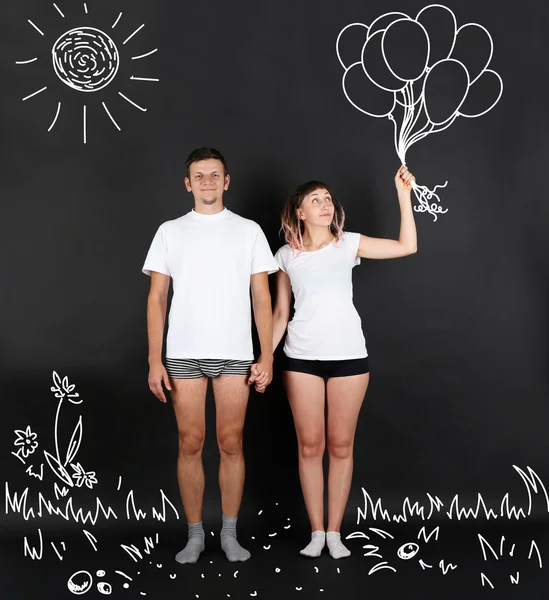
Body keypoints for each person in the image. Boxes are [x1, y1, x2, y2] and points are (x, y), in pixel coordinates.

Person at [250, 165, 417, 559]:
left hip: (349, 358)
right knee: (310, 446)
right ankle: (316, 533)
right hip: (301, 359)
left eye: (327, 198)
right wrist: (265, 358)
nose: (324, 204)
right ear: (300, 213)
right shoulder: (286, 256)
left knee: (341, 446)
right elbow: (279, 314)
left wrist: (403, 195)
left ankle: (336, 533)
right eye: (315, 200)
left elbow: (406, 246)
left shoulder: (348, 244)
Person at [142, 147, 278, 564]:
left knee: (231, 442)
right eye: (198, 176)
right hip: (182, 353)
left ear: (226, 181)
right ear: (188, 183)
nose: (206, 182)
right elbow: (157, 298)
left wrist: (266, 356)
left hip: (235, 353)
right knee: (190, 442)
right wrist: (154, 359)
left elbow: (261, 296)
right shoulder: (170, 231)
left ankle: (231, 535)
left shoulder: (249, 230)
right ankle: (196, 536)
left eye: (213, 175)